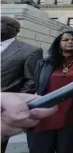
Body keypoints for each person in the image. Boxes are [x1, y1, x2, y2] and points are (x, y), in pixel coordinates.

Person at [26, 31, 73, 153]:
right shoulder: (45, 63)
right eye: (66, 40)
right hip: (45, 112)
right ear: (59, 44)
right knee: (40, 148)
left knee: (67, 148)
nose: (70, 42)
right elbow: (37, 84)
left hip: (72, 112)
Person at [1, 16, 43, 152]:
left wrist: (14, 103)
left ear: (16, 30)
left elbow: (31, 81)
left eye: (2, 23)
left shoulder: (30, 51)